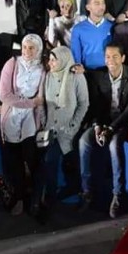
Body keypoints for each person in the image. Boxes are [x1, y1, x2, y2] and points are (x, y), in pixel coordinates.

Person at [78, 43, 128, 218]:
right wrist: (98, 126)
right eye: (107, 57)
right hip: (103, 121)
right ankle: (87, 191)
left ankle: (118, 195)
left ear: (123, 58)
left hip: (122, 122)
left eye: (115, 56)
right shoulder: (99, 76)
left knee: (114, 145)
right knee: (84, 142)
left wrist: (110, 129)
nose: (111, 61)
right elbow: (96, 105)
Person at [35, 46, 89, 218]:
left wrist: (73, 126)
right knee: (48, 161)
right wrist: (45, 123)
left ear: (64, 60)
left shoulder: (76, 76)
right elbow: (42, 103)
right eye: (50, 60)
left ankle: (79, 192)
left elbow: (83, 104)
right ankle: (49, 199)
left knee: (68, 161)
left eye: (54, 60)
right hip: (51, 130)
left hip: (69, 130)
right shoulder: (48, 77)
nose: (50, 63)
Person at [0, 34, 47, 216]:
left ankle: (35, 198)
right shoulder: (12, 64)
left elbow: (41, 99)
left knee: (31, 157)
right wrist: (30, 102)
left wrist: (42, 120)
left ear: (38, 50)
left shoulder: (42, 69)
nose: (27, 51)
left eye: (31, 48)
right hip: (11, 115)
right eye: (25, 47)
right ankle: (18, 197)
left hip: (30, 118)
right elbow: (5, 95)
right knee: (14, 160)